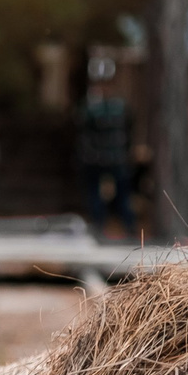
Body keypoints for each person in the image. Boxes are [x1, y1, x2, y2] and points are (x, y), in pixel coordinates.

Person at [77, 57, 138, 241]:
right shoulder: (110, 106)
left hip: (109, 158)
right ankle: (104, 229)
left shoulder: (103, 107)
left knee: (120, 196)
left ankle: (128, 229)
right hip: (100, 159)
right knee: (101, 197)